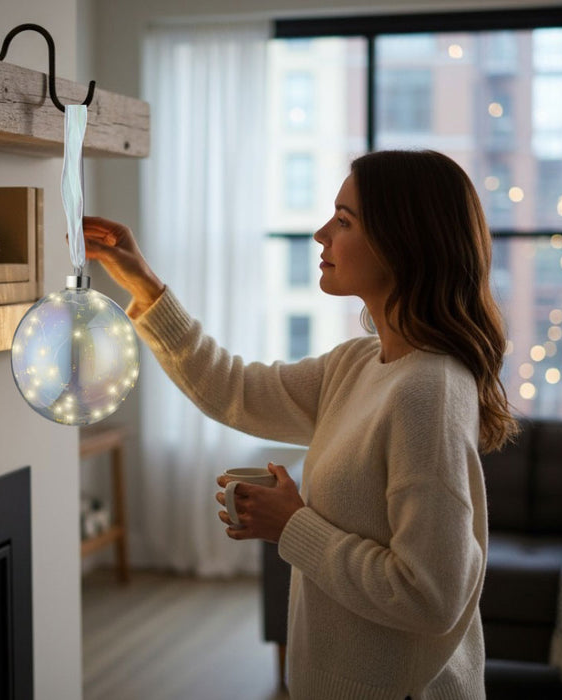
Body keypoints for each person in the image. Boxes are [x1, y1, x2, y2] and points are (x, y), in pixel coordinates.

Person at [82, 149, 517, 699]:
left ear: (402, 242)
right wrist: (145, 285)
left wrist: (292, 525)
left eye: (343, 221)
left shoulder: (426, 392)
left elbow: (428, 596)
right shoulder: (359, 365)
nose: (320, 234)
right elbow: (232, 389)